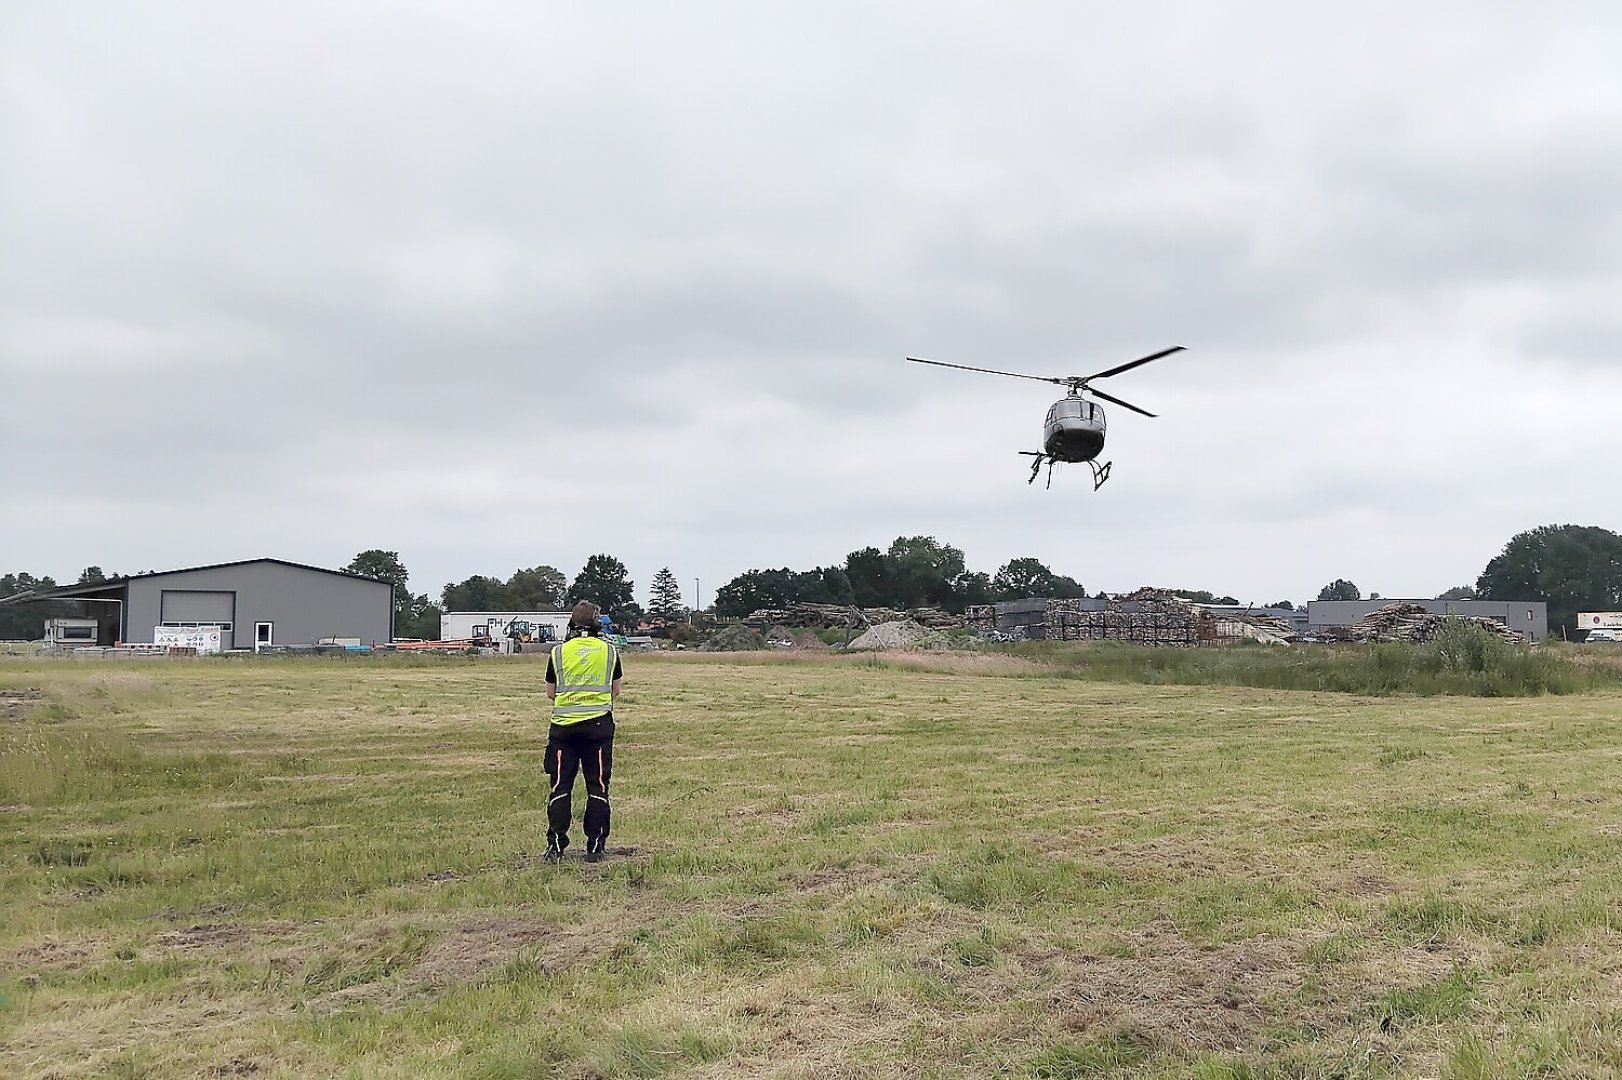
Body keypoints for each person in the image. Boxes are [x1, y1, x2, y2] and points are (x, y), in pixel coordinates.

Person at [543, 601, 623, 863]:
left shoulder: (558, 653)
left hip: (563, 730)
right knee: (597, 787)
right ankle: (596, 847)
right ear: (597, 624)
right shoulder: (609, 652)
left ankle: (555, 847)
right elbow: (615, 690)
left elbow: (551, 693)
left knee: (560, 786)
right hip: (598, 729)